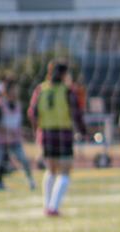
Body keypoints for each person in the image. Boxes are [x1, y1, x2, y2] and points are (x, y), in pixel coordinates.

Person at [28, 60, 87, 217]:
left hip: (46, 134)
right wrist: (82, 130)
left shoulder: (40, 89)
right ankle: (53, 207)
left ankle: (47, 205)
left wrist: (37, 133)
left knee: (51, 170)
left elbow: (32, 113)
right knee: (65, 171)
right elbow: (76, 113)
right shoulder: (67, 91)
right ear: (63, 74)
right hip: (63, 133)